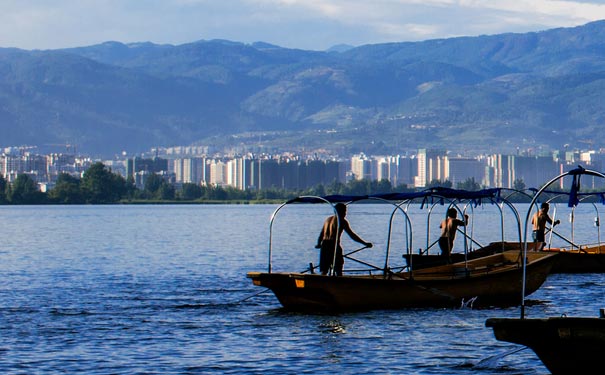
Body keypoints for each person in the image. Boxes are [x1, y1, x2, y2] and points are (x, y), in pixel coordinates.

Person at [315, 203, 372, 276]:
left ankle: (323, 282)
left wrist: (318, 244)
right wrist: (365, 243)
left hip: (324, 246)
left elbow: (321, 235)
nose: (345, 213)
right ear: (339, 211)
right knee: (338, 268)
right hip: (333, 245)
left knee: (325, 270)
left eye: (345, 211)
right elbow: (352, 235)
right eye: (344, 211)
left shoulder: (328, 220)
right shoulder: (342, 221)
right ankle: (340, 283)